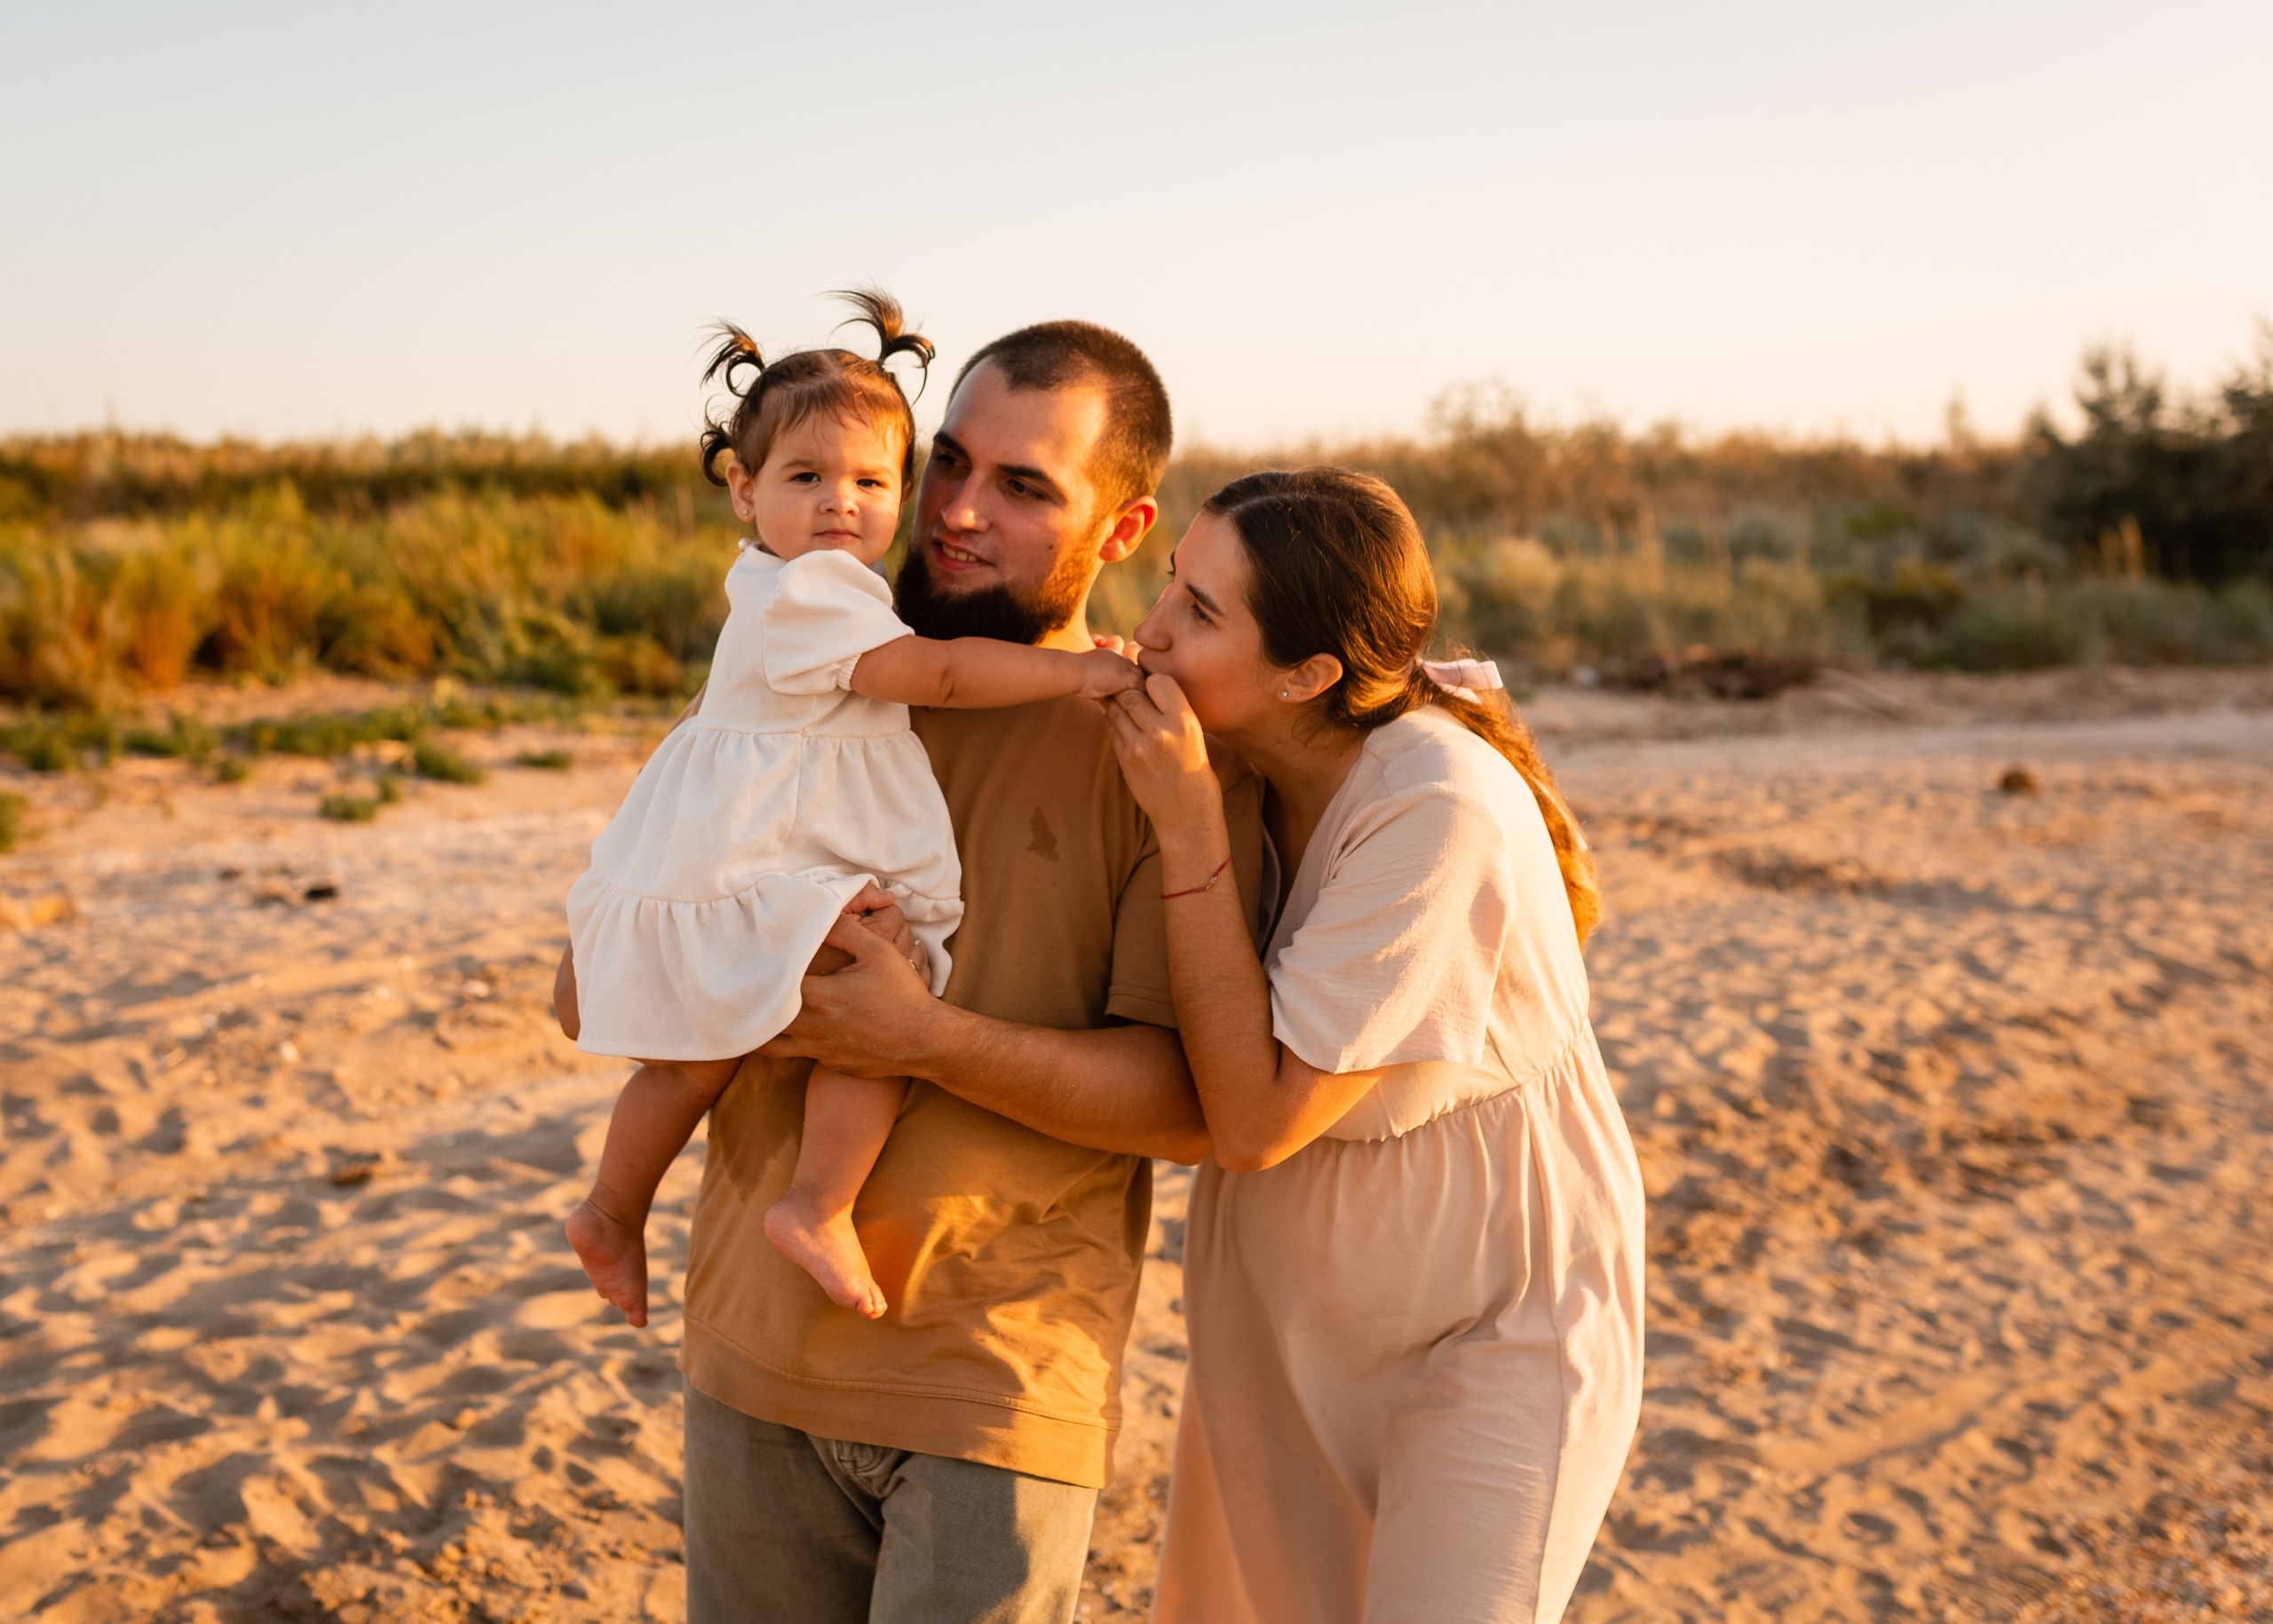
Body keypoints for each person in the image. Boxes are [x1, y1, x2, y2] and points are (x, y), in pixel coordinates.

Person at [661, 321, 1266, 1623]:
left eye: (1024, 486)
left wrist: (922, 1036)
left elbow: (1190, 1105)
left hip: (993, 1392)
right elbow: (586, 990)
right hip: (748, 1360)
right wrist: (747, 976)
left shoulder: (1166, 757)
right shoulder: (796, 682)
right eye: (948, 461)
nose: (958, 511)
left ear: (1122, 528)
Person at [1100, 468, 1646, 1623]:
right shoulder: (1232, 758)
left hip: (1489, 1326)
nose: (1151, 630)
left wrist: (1188, 830)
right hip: (1276, 1331)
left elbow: (1255, 1119)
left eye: (1200, 611)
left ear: (1307, 675)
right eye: (1170, 584)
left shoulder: (1434, 804)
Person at [559, 290, 1142, 1328]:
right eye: (807, 477)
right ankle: (812, 1201)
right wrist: (1079, 673)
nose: (845, 503)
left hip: (736, 851)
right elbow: (942, 674)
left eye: (872, 480)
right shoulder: (819, 597)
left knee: (710, 1058)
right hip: (769, 861)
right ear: (743, 490)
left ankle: (618, 1205)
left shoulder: (781, 591)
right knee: (887, 983)